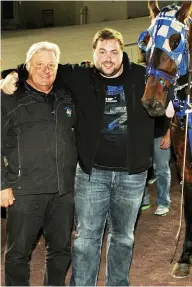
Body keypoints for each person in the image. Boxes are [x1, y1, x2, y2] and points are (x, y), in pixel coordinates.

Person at [1, 28, 154, 286]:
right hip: (91, 174)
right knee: (85, 240)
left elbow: (171, 82)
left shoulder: (143, 76)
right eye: (102, 52)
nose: (108, 58)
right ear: (92, 54)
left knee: (123, 237)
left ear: (122, 53)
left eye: (114, 52)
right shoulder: (79, 76)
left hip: (132, 175)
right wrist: (10, 74)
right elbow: (36, 70)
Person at [1, 42, 76, 286]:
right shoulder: (10, 98)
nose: (46, 70)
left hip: (62, 191)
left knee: (61, 250)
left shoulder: (65, 96)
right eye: (39, 65)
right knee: (18, 254)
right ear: (27, 66)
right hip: (24, 191)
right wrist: (2, 184)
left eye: (51, 65)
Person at [141, 115, 171, 216]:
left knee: (162, 170)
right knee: (141, 168)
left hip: (161, 134)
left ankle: (163, 202)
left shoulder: (166, 98)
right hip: (142, 135)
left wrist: (168, 135)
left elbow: (174, 114)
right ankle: (143, 200)